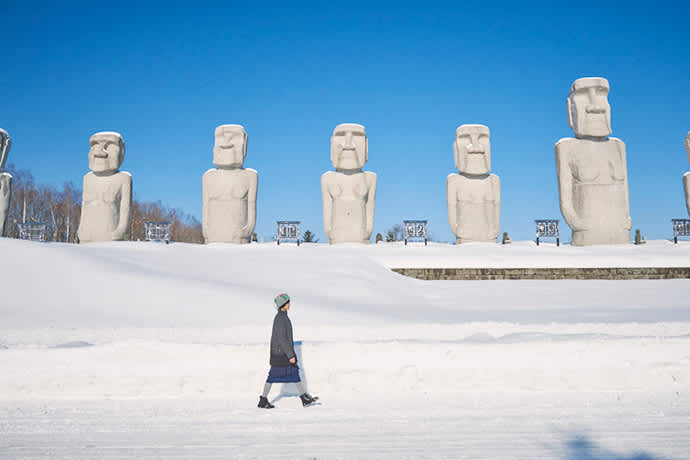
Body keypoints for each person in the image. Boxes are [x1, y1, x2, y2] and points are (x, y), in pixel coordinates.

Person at [258, 293, 318, 408]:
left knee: (294, 372)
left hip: (283, 352)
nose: (289, 304)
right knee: (272, 376)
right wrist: (290, 355)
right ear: (283, 305)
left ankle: (304, 397)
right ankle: (263, 399)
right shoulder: (280, 318)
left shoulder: (283, 316)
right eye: (288, 302)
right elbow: (282, 338)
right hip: (281, 354)